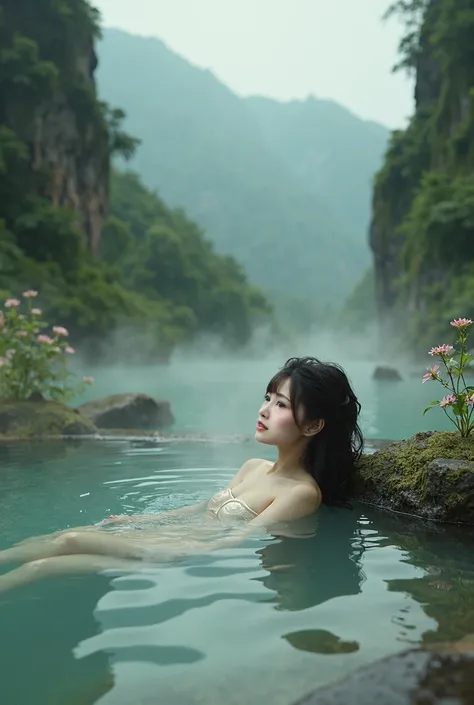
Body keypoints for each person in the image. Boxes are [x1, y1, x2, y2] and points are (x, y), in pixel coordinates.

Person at [0, 356, 363, 593]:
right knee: (63, 539)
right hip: (167, 536)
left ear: (314, 425)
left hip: (174, 553)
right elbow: (200, 508)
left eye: (281, 404)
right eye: (267, 397)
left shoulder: (300, 493)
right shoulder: (253, 467)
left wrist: (164, 549)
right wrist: (142, 519)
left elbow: (238, 541)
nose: (265, 410)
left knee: (55, 555)